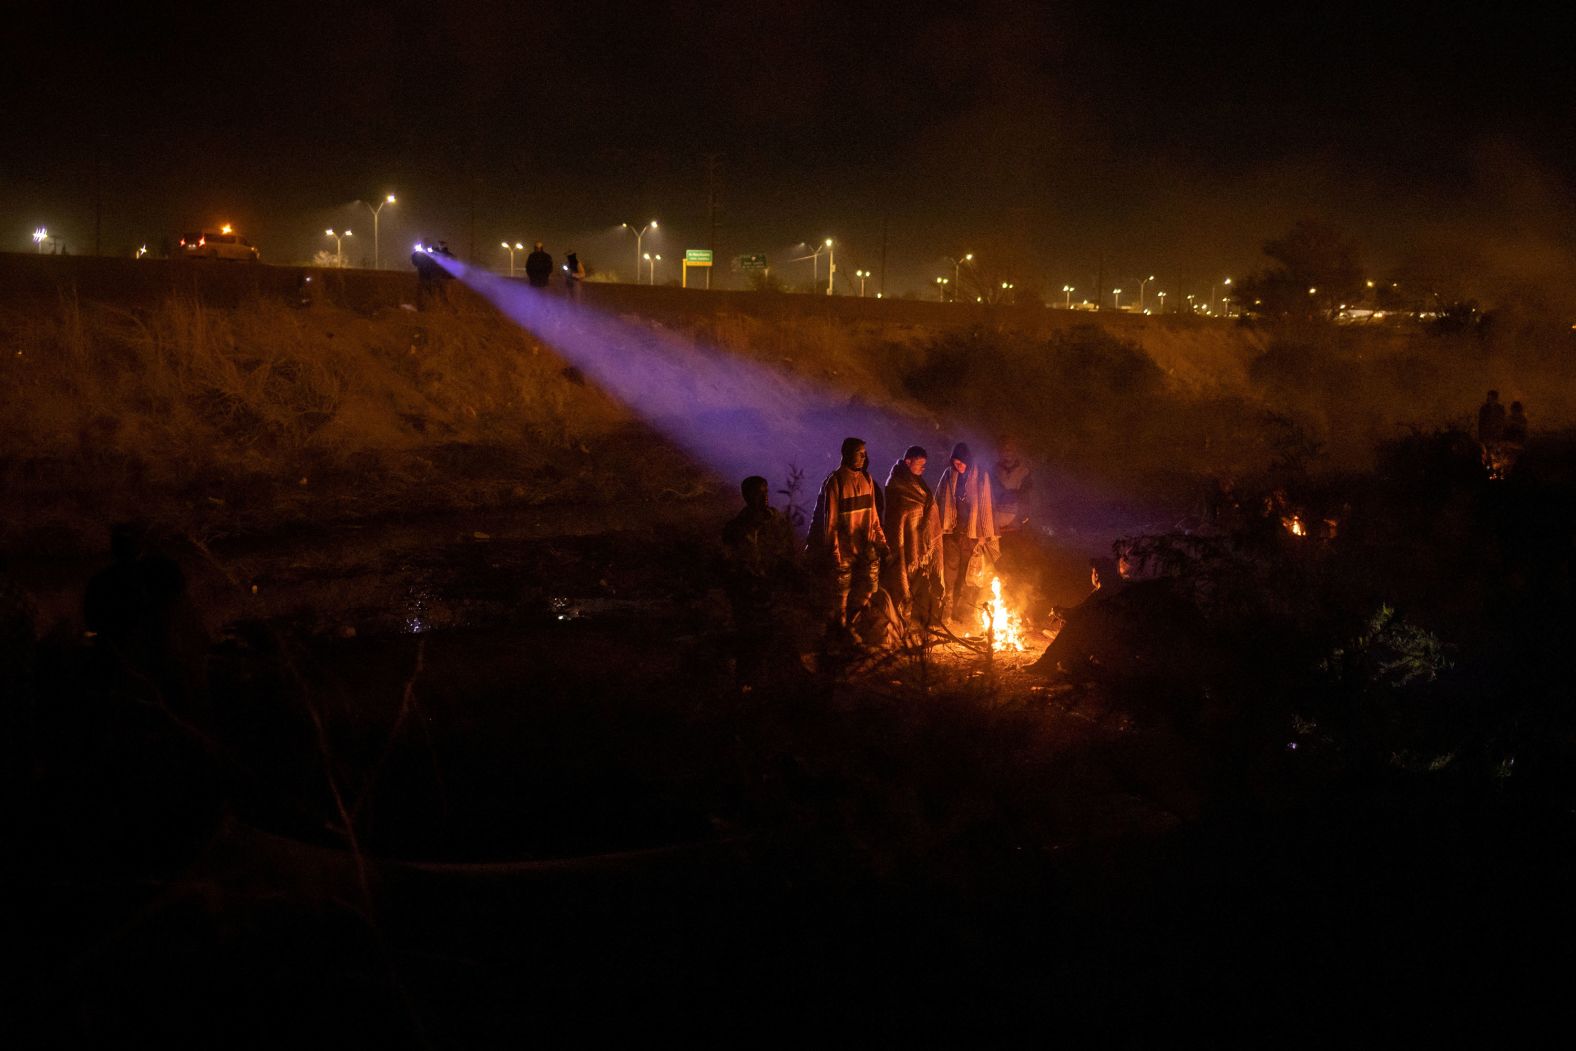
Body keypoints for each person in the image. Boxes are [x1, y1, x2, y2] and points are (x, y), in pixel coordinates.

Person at [807, 437, 888, 637]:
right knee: (840, 598)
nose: (864, 457)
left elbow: (873, 517)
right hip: (843, 551)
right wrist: (834, 553)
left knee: (867, 590)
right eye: (859, 453)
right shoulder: (835, 482)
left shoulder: (867, 480)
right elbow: (830, 522)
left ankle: (849, 630)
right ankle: (839, 637)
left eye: (865, 453)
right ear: (847, 454)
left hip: (864, 550)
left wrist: (882, 542)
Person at [722, 476, 799, 686]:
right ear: (747, 496)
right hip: (749, 594)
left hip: (771, 589)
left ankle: (777, 681)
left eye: (766, 492)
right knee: (750, 639)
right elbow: (732, 562)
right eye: (759, 493)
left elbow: (785, 548)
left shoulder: (773, 519)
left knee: (776, 636)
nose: (764, 497)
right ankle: (747, 682)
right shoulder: (737, 528)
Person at [934, 442, 999, 625]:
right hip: (952, 533)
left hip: (971, 535)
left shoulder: (980, 477)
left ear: (968, 461)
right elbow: (939, 499)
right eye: (955, 463)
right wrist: (941, 526)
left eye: (961, 463)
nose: (958, 466)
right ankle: (944, 613)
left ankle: (961, 613)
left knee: (967, 576)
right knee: (949, 574)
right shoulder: (948, 475)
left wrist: (983, 534)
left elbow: (986, 505)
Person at [882, 445, 944, 629]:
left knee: (917, 579)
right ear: (908, 461)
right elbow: (899, 513)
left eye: (925, 465)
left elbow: (927, 503)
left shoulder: (918, 483)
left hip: (920, 541)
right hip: (904, 539)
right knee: (903, 579)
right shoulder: (896, 483)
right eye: (920, 464)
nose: (923, 468)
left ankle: (909, 619)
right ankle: (898, 621)